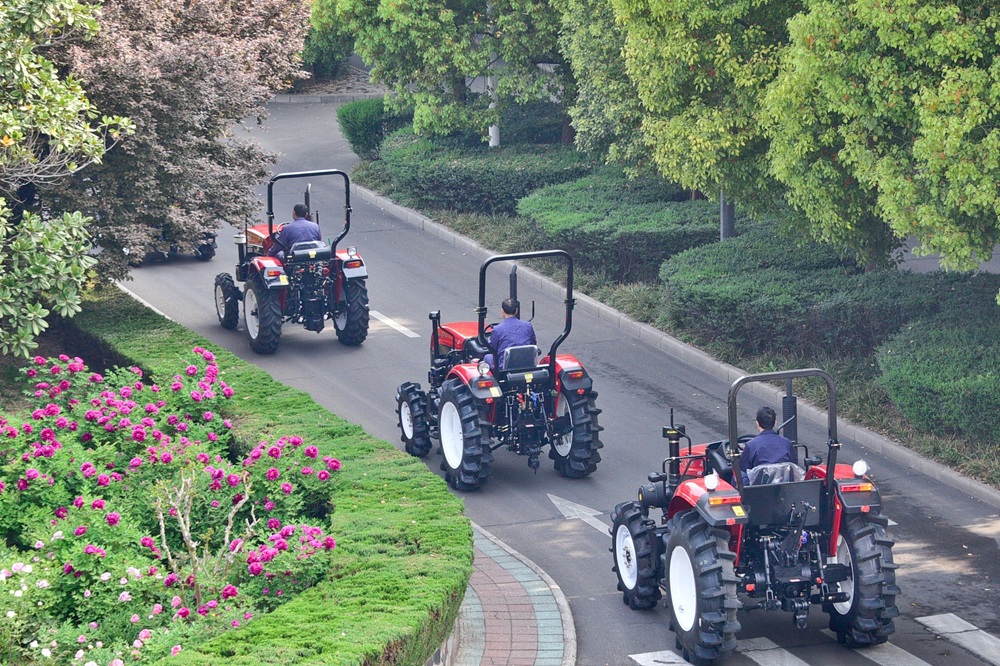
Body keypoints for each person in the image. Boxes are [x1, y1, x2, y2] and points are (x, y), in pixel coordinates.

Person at [740, 406, 797, 485]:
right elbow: (794, 466)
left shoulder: (751, 445)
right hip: (783, 488)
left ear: (757, 423)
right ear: (775, 422)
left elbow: (743, 468)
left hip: (758, 489)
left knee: (739, 474)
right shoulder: (787, 443)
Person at [486, 298, 536, 370]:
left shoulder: (497, 329)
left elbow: (492, 348)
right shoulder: (528, 326)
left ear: (502, 310)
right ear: (516, 310)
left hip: (505, 366)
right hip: (526, 363)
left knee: (487, 357)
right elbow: (533, 342)